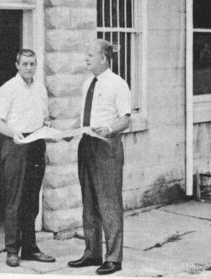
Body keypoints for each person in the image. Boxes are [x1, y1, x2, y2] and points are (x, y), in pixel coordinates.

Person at [68, 39, 131, 275]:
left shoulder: (118, 84)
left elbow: (125, 119)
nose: (86, 58)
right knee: (89, 202)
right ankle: (92, 253)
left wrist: (109, 129)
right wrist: (67, 132)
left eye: (90, 55)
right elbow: (86, 117)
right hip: (86, 143)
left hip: (106, 146)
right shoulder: (87, 84)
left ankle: (114, 258)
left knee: (109, 202)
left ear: (104, 58)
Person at [0, 49, 56, 267]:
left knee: (31, 199)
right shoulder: (7, 89)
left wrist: (47, 125)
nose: (29, 68)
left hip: (36, 143)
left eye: (32, 64)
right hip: (16, 144)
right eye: (25, 64)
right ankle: (12, 250)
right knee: (15, 200)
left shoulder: (40, 88)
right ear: (17, 65)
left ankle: (30, 248)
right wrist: (13, 133)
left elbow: (44, 116)